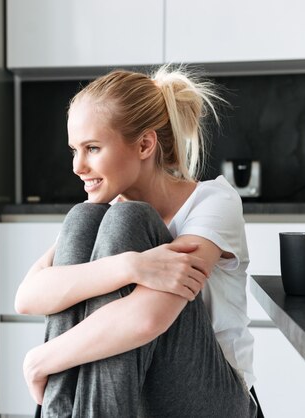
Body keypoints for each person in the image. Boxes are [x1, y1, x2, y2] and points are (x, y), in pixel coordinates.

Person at [14, 66, 260, 417]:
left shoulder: (213, 202)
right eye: (74, 150)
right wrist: (132, 266)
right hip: (131, 396)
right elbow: (27, 297)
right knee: (83, 218)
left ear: (145, 144)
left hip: (214, 400)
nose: (77, 166)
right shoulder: (103, 212)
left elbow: (147, 318)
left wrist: (41, 360)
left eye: (92, 148)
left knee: (130, 219)